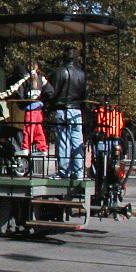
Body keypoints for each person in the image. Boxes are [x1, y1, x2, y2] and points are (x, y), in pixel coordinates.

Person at [48, 46, 87, 179]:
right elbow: (84, 94)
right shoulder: (82, 73)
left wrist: (49, 105)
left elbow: (53, 93)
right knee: (77, 141)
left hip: (63, 110)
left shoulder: (60, 72)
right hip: (77, 111)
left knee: (63, 141)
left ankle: (64, 171)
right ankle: (79, 171)